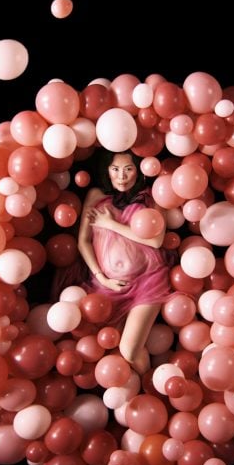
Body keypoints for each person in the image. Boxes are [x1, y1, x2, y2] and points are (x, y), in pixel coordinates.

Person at [77, 150, 172, 374]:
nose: (121, 176)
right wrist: (103, 278)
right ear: (107, 170)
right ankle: (148, 390)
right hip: (108, 286)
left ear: (138, 170)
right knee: (113, 351)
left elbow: (156, 241)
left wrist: (110, 225)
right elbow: (83, 242)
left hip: (147, 282)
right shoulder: (95, 195)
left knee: (128, 350)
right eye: (115, 169)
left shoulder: (153, 197)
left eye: (128, 169)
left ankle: (152, 389)